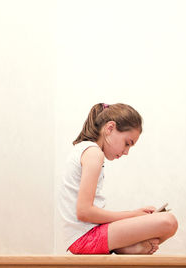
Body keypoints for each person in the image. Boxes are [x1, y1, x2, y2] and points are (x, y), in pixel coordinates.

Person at [58, 103, 178, 254]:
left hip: (85, 236)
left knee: (165, 222)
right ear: (109, 128)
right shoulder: (93, 153)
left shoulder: (86, 150)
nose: (126, 152)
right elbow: (84, 212)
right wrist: (133, 215)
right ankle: (128, 247)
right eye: (127, 143)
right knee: (169, 221)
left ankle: (128, 248)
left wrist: (134, 214)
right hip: (85, 238)